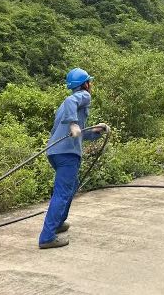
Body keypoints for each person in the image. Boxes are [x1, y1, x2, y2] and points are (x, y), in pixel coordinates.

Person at [38, 67, 108, 249]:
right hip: (67, 154)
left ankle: (59, 222)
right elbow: (72, 119)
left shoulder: (64, 106)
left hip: (55, 152)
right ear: (85, 84)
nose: (90, 85)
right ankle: (47, 237)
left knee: (71, 185)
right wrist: (74, 123)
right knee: (62, 192)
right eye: (89, 82)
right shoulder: (83, 96)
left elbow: (78, 134)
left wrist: (96, 131)